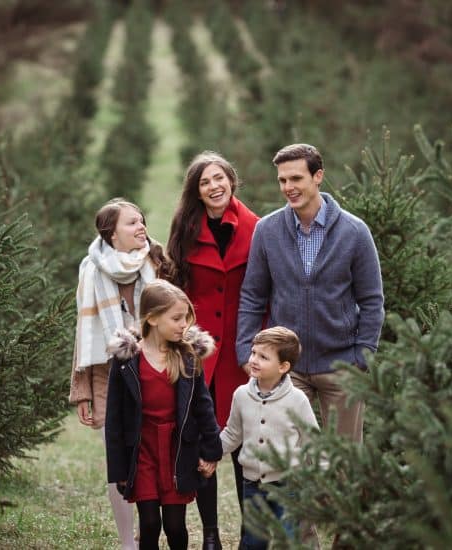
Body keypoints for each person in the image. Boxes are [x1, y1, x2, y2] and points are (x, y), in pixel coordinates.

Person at [236, 143, 384, 443]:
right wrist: (245, 352)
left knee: (344, 462)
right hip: (286, 368)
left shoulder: (354, 232)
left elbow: (372, 300)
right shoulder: (267, 230)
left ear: (318, 177)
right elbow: (253, 296)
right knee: (286, 461)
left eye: (296, 179)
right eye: (282, 180)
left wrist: (361, 357)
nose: (288, 187)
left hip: (342, 366)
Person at [166, 151, 259, 548]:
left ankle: (250, 536)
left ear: (231, 181)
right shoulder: (185, 229)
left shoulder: (257, 226)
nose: (214, 186)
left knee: (244, 445)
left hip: (242, 350)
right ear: (197, 192)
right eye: (205, 182)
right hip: (200, 351)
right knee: (206, 440)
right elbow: (175, 285)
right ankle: (210, 534)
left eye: (219, 178)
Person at [68, 198, 167, 550]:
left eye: (142, 220)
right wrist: (82, 390)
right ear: (111, 233)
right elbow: (84, 332)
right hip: (109, 375)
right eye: (131, 223)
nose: (141, 227)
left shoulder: (157, 262)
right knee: (118, 458)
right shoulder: (90, 271)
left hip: (154, 369)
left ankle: (150, 530)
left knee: (154, 455)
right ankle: (128, 541)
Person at [105, 279, 224, 550]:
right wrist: (119, 469)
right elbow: (114, 420)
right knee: (149, 524)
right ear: (153, 318)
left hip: (176, 450)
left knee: (174, 526)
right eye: (177, 318)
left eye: (186, 318)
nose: (185, 325)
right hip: (142, 448)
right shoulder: (126, 360)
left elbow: (203, 407)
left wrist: (211, 452)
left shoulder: (187, 356)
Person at [209, 326, 319, 549]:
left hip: (287, 485)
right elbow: (233, 433)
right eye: (253, 353)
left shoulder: (297, 400)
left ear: (283, 366)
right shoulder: (241, 395)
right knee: (253, 541)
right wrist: (211, 453)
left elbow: (313, 441)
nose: (254, 360)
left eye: (263, 357)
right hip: (252, 484)